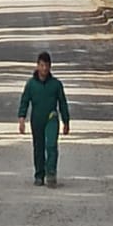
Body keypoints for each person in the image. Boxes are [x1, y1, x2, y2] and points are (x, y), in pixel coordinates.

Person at [17, 50, 71, 187]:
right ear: (37, 66)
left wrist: (66, 121)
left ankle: (51, 172)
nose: (44, 69)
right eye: (42, 65)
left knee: (51, 145)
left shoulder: (56, 84)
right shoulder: (31, 84)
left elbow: (62, 103)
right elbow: (24, 101)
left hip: (51, 118)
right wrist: (22, 118)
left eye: (47, 66)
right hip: (37, 119)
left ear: (50, 66)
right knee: (38, 147)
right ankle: (39, 174)